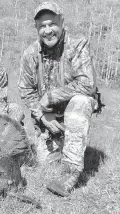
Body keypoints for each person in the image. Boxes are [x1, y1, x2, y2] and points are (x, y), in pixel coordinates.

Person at [18, 1, 103, 197]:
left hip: (73, 113)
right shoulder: (31, 53)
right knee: (44, 161)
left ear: (61, 22)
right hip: (49, 120)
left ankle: (70, 173)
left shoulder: (77, 45)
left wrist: (50, 96)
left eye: (52, 24)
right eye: (42, 26)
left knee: (81, 101)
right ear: (36, 28)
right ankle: (65, 145)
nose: (48, 30)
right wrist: (42, 116)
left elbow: (87, 84)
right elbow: (25, 89)